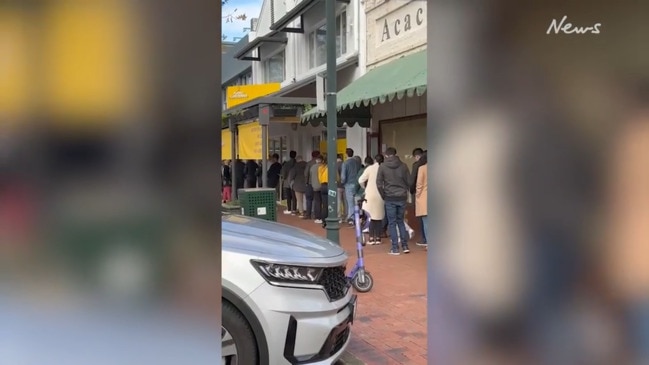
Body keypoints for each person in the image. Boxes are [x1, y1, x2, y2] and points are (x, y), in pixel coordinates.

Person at [376, 147, 411, 255]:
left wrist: (384, 195)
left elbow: (378, 183)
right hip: (401, 196)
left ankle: (395, 248)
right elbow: (409, 182)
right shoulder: (404, 166)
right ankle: (405, 246)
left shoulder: (382, 166)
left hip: (389, 197)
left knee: (392, 223)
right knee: (400, 221)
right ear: (396, 154)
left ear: (386, 155)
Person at [359, 155, 385, 245]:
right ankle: (378, 238)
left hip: (370, 194)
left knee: (370, 216)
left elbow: (360, 180)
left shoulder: (370, 168)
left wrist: (365, 188)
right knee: (378, 217)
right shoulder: (384, 168)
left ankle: (370, 238)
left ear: (374, 160)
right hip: (381, 195)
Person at [410, 147, 427, 247]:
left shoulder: (418, 166)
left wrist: (414, 192)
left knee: (422, 218)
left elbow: (415, 182)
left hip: (421, 195)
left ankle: (424, 238)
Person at [341, 148, 362, 226]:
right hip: (357, 184)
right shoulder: (357, 163)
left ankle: (352, 219)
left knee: (350, 203)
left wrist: (343, 183)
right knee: (357, 202)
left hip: (349, 184)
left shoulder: (345, 163)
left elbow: (343, 177)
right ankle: (359, 217)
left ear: (346, 154)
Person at [317, 156, 340, 225]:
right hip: (330, 186)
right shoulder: (332, 168)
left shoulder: (321, 168)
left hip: (323, 186)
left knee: (324, 205)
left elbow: (319, 179)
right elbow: (337, 178)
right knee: (332, 203)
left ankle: (324, 220)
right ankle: (331, 219)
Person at [415, 151, 428, 251]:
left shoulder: (422, 168)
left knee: (426, 221)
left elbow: (419, 184)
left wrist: (417, 195)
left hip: (424, 196)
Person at [303, 151, 321, 220]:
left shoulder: (309, 163)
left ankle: (308, 214)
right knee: (317, 200)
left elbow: (306, 174)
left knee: (309, 199)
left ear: (312, 156)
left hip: (310, 183)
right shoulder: (321, 164)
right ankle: (316, 215)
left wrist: (306, 182)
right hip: (319, 183)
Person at [336, 154, 345, 221]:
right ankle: (346, 216)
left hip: (338, 185)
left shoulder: (336, 165)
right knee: (345, 202)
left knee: (338, 201)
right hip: (345, 185)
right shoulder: (345, 164)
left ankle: (339, 216)